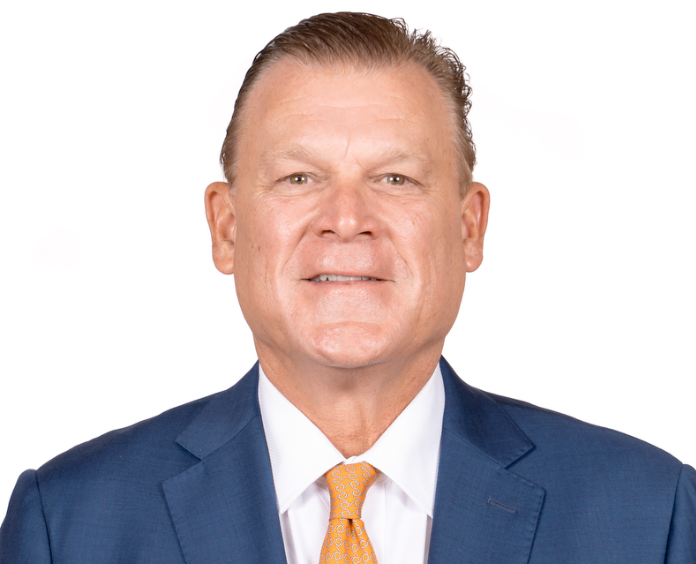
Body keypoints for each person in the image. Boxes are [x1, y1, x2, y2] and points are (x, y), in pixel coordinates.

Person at [0, 11, 694, 564]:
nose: (347, 220)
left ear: (469, 227)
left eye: (396, 178)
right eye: (299, 178)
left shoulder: (649, 515)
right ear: (227, 228)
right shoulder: (67, 523)